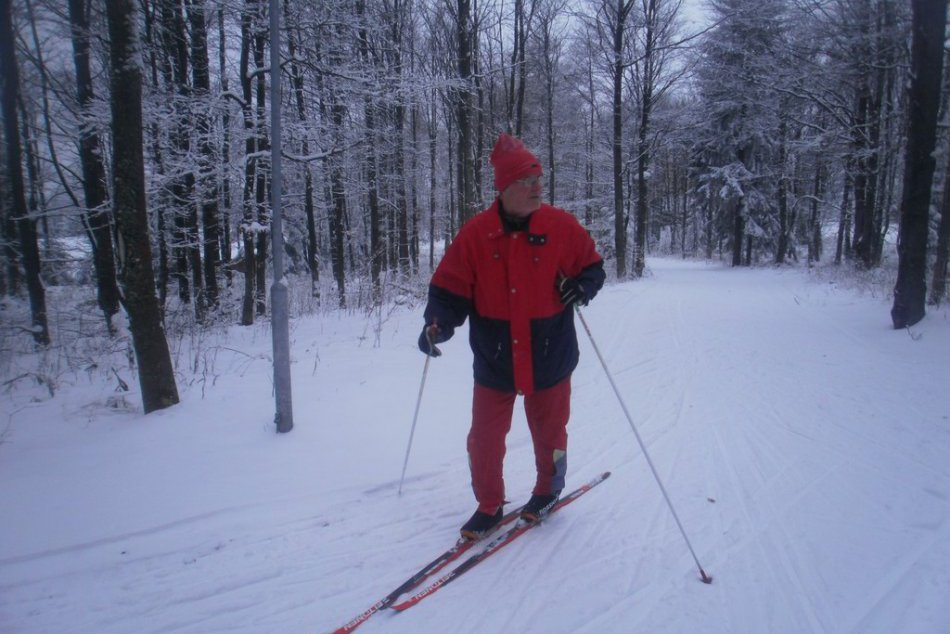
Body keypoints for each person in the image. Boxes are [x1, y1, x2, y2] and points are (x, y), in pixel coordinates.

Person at [418, 133, 606, 541]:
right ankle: (489, 505)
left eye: (539, 179)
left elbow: (593, 267)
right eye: (526, 181)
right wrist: (437, 325)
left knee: (550, 432)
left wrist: (582, 288)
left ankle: (547, 490)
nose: (537, 188)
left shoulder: (560, 226)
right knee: (484, 439)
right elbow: (449, 291)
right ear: (504, 187)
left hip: (550, 352)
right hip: (496, 357)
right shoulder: (476, 234)